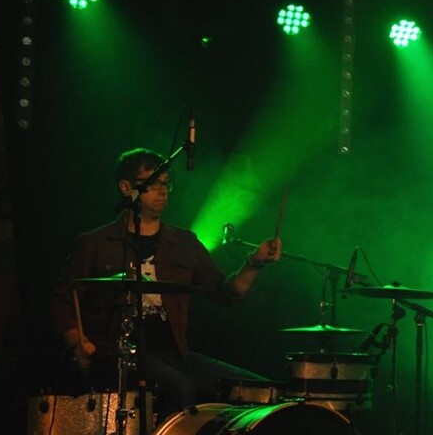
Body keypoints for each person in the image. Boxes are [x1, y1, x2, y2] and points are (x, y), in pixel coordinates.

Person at [52, 148, 281, 419]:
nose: (163, 191)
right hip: (117, 356)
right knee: (179, 388)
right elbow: (64, 299)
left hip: (175, 354)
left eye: (166, 183)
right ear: (125, 187)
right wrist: (78, 342)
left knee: (259, 392)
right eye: (152, 184)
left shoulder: (184, 243)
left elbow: (226, 293)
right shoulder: (95, 243)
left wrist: (254, 263)